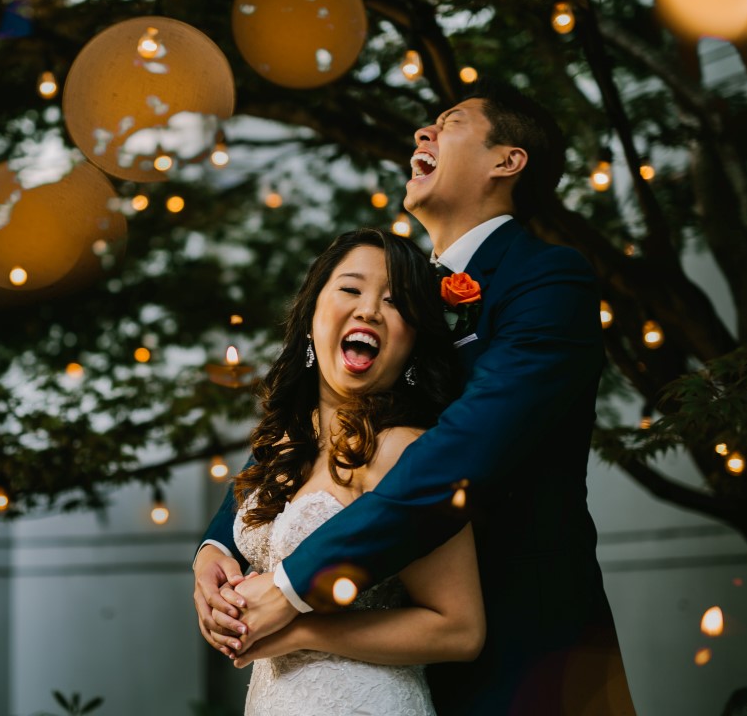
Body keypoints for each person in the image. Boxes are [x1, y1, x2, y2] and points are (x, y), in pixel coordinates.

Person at [194, 82, 636, 714]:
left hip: (527, 648)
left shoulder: (547, 279)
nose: (421, 135)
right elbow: (326, 432)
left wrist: (294, 585)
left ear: (506, 162)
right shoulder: (400, 293)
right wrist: (218, 545)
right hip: (396, 653)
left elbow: (463, 450)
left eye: (448, 124)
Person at [209, 227, 484, 715]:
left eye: (395, 302)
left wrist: (300, 629)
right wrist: (222, 600)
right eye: (351, 289)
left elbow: (458, 628)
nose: (369, 310)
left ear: (415, 340)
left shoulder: (407, 453)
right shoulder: (282, 445)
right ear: (313, 316)